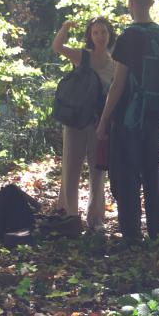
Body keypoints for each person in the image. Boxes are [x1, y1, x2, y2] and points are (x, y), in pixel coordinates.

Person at [96, 0, 159, 245]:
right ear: (151, 2)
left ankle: (131, 234)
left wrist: (104, 121)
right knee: (153, 173)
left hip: (128, 116)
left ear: (131, 3)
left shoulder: (129, 37)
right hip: (156, 115)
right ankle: (158, 233)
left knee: (126, 175)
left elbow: (118, 84)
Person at [50, 17, 116, 231]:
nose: (100, 37)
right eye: (96, 33)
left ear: (109, 34)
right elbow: (57, 47)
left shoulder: (114, 63)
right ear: (90, 35)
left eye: (103, 32)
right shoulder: (82, 56)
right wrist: (64, 27)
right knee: (71, 168)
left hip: (99, 123)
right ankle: (71, 215)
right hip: (76, 121)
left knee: (98, 170)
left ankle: (96, 219)